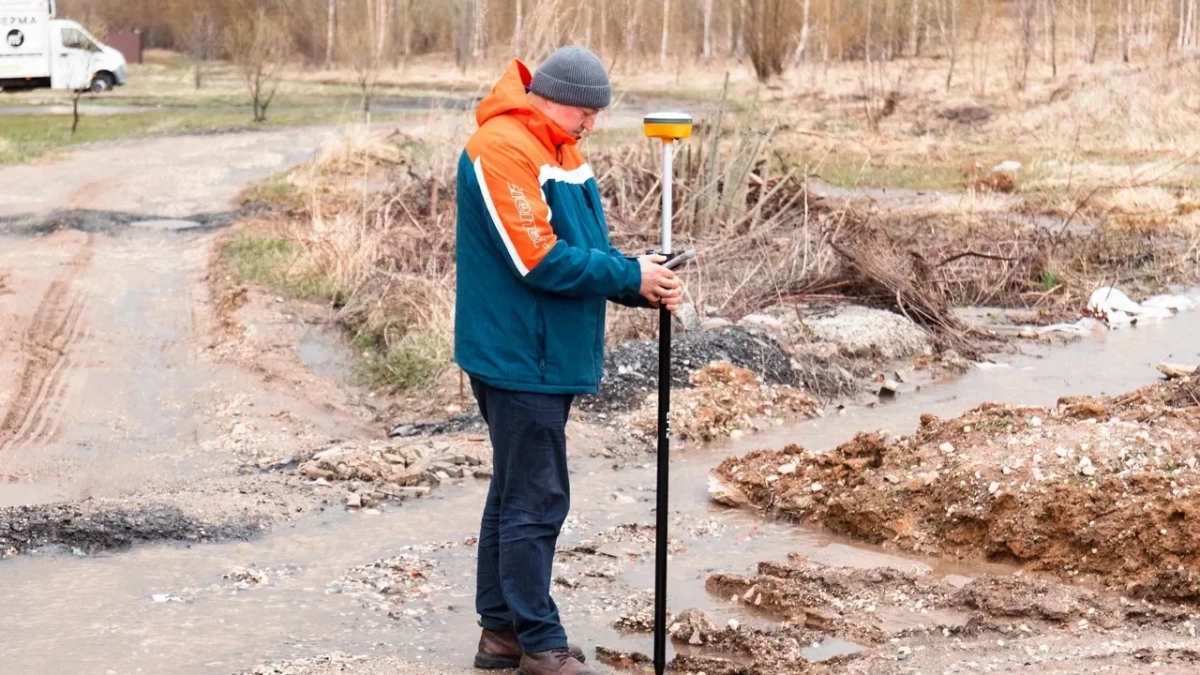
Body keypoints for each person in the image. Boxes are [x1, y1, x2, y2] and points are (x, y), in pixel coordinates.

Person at [454, 45, 683, 675]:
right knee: (538, 497)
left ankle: (501, 635)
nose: (592, 124)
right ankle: (539, 641)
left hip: (546, 348)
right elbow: (539, 259)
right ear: (554, 98)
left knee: (514, 492)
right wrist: (627, 275)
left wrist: (640, 278)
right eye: (587, 111)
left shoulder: (561, 150)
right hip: (518, 352)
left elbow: (587, 252)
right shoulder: (501, 149)